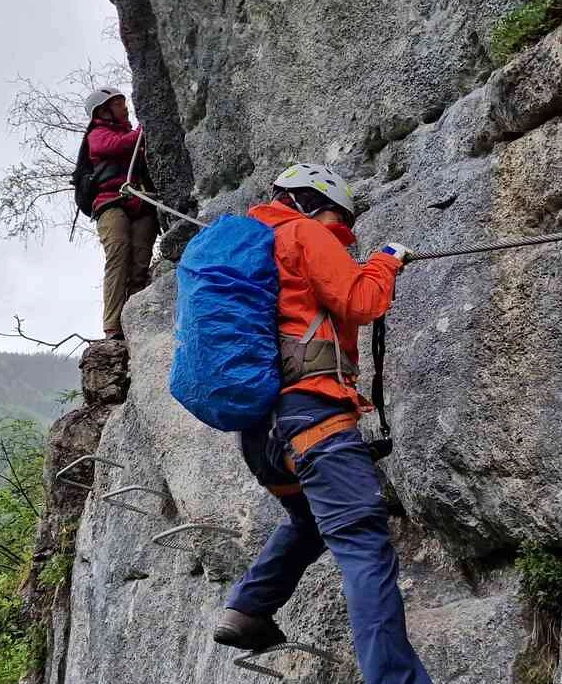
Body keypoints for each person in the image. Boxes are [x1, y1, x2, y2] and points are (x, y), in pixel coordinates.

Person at [213, 164, 431, 684]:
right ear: (314, 204)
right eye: (338, 216)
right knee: (363, 546)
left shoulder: (247, 251)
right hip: (315, 420)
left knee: (310, 521)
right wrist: (385, 261)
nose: (341, 229)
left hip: (262, 436)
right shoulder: (306, 232)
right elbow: (361, 301)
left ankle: (248, 607)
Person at [83, 87, 157, 341]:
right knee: (118, 253)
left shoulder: (132, 134)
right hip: (111, 202)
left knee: (139, 263)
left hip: (141, 202)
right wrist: (145, 128)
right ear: (104, 111)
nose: (125, 108)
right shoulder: (98, 135)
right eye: (118, 104)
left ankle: (132, 322)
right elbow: (120, 145)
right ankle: (112, 325)